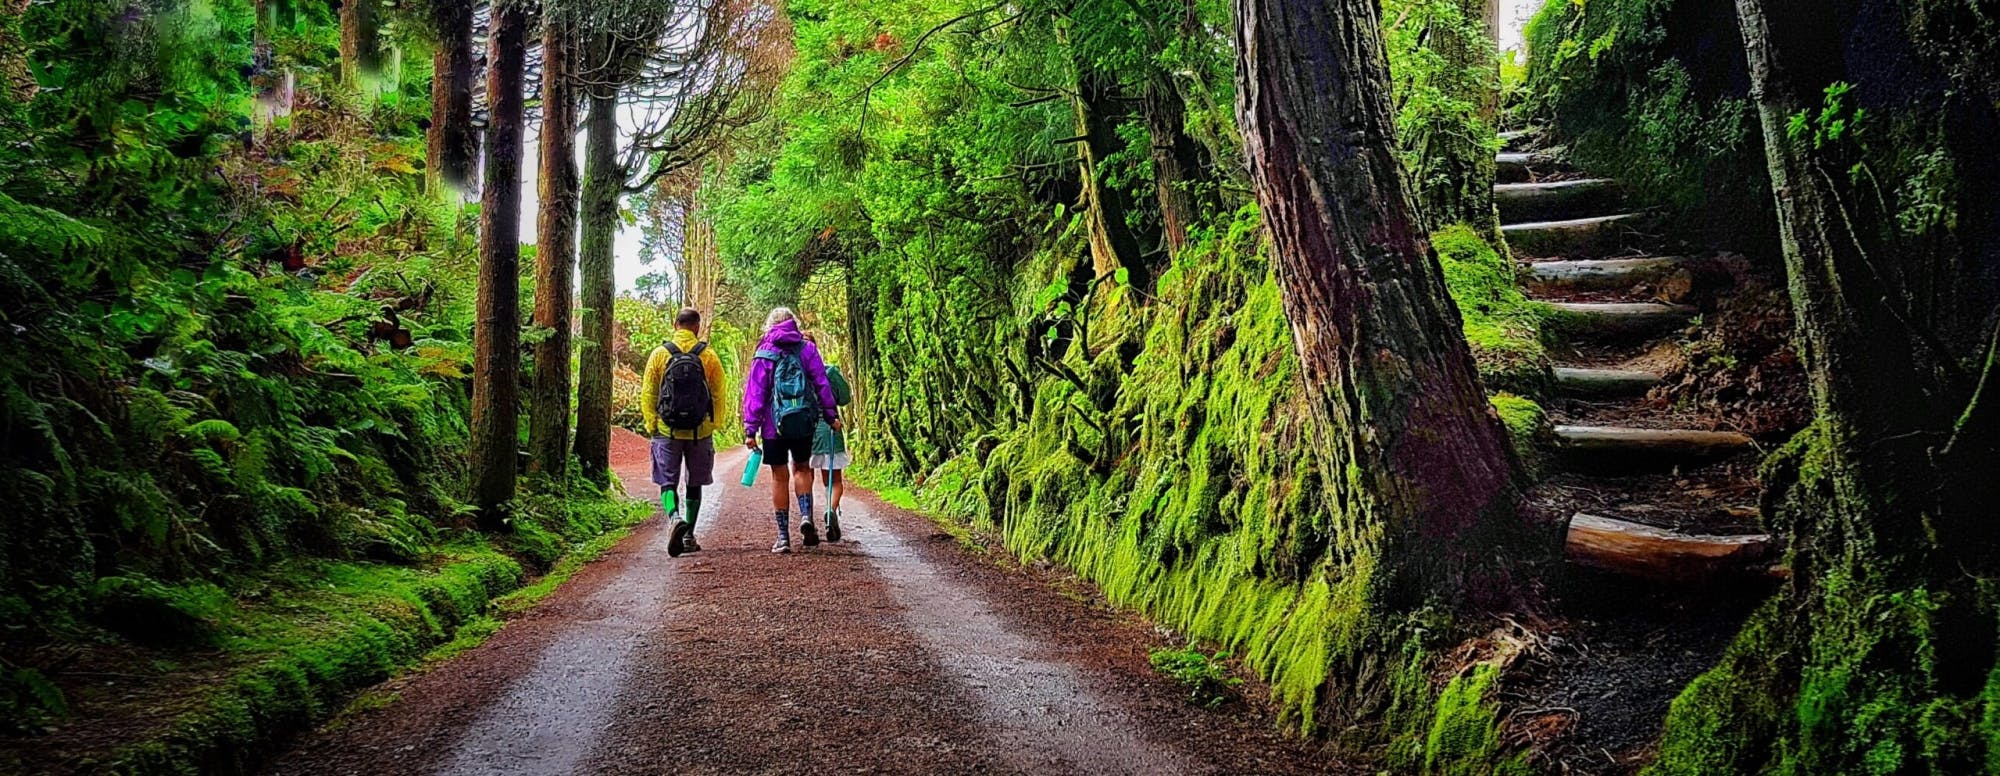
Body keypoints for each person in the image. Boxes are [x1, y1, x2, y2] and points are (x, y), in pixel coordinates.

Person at [742, 307, 840, 554]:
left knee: (779, 475)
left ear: (770, 326)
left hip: (773, 426)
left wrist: (750, 428)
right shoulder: (807, 349)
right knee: (803, 468)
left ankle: (783, 537)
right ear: (793, 324)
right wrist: (831, 416)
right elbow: (822, 384)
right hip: (803, 421)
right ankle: (806, 517)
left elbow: (755, 393)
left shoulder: (764, 353)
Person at [642, 306, 729, 558]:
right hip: (699, 431)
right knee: (695, 482)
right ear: (697, 327)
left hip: (666, 431)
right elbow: (718, 394)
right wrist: (713, 424)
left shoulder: (659, 354)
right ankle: (689, 535)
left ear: (675, 325)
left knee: (667, 480)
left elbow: (649, 393)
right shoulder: (708, 355)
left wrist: (652, 423)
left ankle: (674, 517)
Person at [804, 331, 853, 542]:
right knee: (833, 480)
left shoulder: (796, 376)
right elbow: (844, 399)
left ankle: (808, 518)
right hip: (829, 429)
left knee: (804, 476)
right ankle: (830, 510)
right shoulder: (830, 372)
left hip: (803, 430)